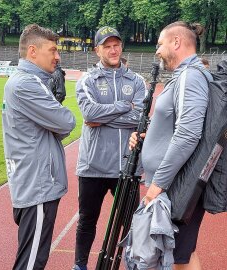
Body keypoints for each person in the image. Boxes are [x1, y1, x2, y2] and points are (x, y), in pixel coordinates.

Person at [129, 21, 210, 270]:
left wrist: (159, 184)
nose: (157, 50)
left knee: (177, 258)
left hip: (175, 185)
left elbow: (188, 133)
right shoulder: (185, 76)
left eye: (160, 43)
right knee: (183, 254)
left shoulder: (190, 75)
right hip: (174, 183)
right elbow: (177, 124)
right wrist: (149, 134)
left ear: (176, 42)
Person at [2, 24, 76, 269]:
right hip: (38, 186)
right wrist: (57, 122)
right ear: (32, 51)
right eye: (53, 50)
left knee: (33, 258)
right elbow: (67, 122)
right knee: (31, 263)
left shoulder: (33, 81)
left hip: (35, 183)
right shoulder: (26, 84)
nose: (58, 57)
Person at [73, 26, 146, 270]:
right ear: (97, 50)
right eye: (107, 46)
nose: (113, 50)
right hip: (93, 165)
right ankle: (80, 265)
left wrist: (101, 118)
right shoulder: (87, 81)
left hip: (128, 165)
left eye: (116, 45)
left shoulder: (137, 81)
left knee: (133, 222)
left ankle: (132, 263)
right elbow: (89, 113)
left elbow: (141, 118)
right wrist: (125, 105)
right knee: (87, 220)